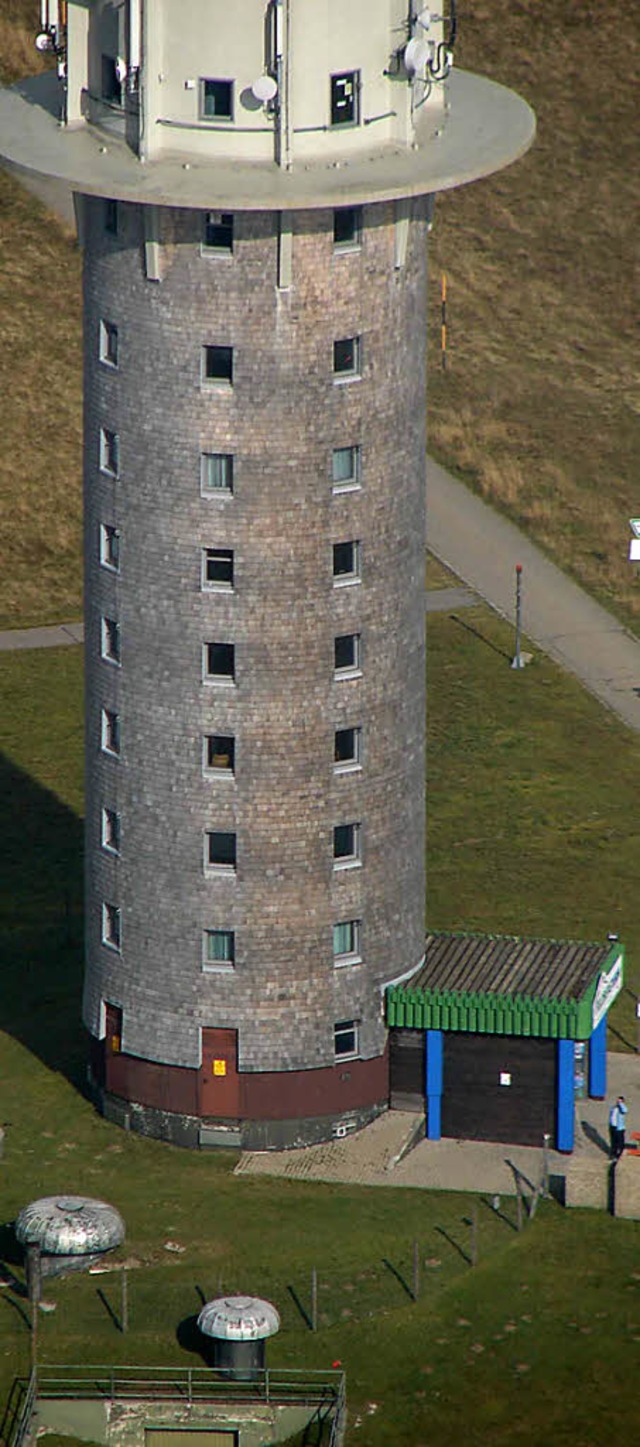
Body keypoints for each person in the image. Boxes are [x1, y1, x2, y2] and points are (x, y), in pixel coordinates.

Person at [609, 1095, 628, 1160]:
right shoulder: (614, 1107)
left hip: (619, 1128)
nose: (618, 1101)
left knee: (620, 1141)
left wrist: (621, 1104)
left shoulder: (622, 1108)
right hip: (613, 1126)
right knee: (613, 1141)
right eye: (617, 1100)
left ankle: (619, 1154)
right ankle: (613, 1154)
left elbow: (625, 1110)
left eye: (619, 1100)